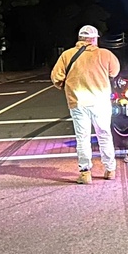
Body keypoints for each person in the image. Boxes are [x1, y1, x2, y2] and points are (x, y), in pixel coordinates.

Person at [50, 25, 120, 184]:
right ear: (95, 39)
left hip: (78, 101)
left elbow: (56, 77)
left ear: (80, 39)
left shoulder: (67, 55)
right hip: (101, 101)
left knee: (82, 138)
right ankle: (110, 170)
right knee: (104, 135)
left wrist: (65, 85)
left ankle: (85, 173)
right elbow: (114, 72)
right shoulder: (105, 54)